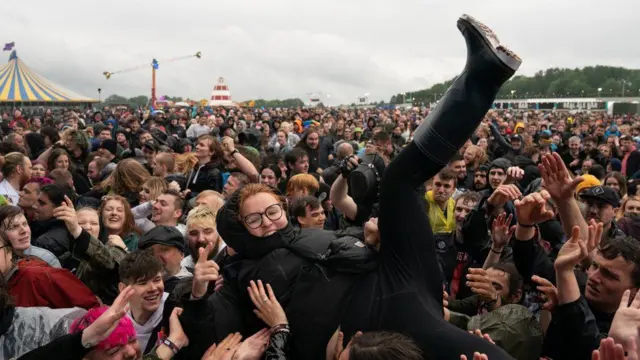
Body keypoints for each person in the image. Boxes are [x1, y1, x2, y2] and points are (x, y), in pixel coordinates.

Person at [139, 226, 192, 294]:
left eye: (164, 249)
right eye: (150, 252)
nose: (156, 257)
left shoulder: (193, 286)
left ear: (181, 254)